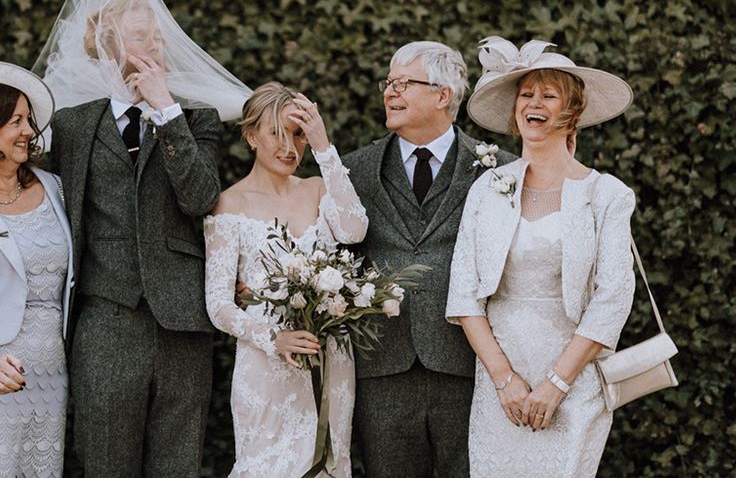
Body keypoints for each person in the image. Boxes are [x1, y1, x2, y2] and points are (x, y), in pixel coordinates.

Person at [32, 0, 251, 476]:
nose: (157, 43)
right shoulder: (71, 124)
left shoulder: (194, 116)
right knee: (106, 460)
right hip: (105, 319)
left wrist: (166, 111)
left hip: (182, 321)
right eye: (141, 36)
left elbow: (200, 198)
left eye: (158, 34)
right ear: (107, 45)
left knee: (178, 463)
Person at [446, 36, 637, 477]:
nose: (534, 103)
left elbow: (612, 299)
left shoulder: (606, 195)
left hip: (574, 382)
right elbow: (464, 295)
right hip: (500, 386)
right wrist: (504, 380)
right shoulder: (487, 189)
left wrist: (556, 384)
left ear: (571, 113)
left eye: (548, 95)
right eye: (526, 94)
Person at [342, 41, 514, 477]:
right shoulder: (352, 171)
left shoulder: (500, 172)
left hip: (468, 364)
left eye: (403, 83)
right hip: (381, 366)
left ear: (443, 95)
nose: (389, 92)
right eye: (388, 83)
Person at [204, 81, 368, 477]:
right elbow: (219, 304)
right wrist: (272, 339)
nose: (289, 147)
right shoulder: (229, 203)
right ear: (251, 136)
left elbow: (354, 229)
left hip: (330, 355)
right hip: (267, 362)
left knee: (330, 461)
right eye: (276, 132)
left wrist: (324, 145)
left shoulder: (316, 189)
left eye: (297, 134)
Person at [0, 61, 74, 478]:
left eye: (29, 120)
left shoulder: (56, 188)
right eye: (16, 121)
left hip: (52, 376)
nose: (29, 131)